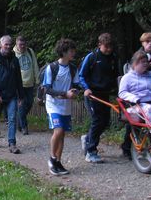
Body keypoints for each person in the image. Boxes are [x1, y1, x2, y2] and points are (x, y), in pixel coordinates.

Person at [121, 32, 151, 159]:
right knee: (134, 123)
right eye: (147, 41)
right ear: (143, 43)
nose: (150, 43)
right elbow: (131, 74)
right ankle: (127, 147)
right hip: (138, 96)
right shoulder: (138, 56)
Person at [41, 39, 81, 176]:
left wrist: (75, 92)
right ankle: (52, 159)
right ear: (63, 52)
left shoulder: (73, 68)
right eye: (71, 51)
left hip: (66, 106)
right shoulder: (51, 68)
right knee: (58, 131)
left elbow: (76, 86)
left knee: (62, 134)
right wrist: (65, 94)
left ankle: (58, 162)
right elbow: (47, 89)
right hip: (53, 105)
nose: (73, 53)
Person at [79, 33, 119, 163]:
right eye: (106, 47)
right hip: (92, 94)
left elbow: (116, 76)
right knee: (97, 120)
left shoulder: (113, 58)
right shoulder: (92, 57)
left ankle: (87, 139)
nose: (108, 49)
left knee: (105, 121)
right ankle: (91, 151)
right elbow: (81, 75)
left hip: (105, 94)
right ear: (99, 45)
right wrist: (86, 88)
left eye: (110, 47)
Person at [0, 35, 24, 153]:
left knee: (12, 119)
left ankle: (12, 143)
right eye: (6, 44)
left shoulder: (15, 60)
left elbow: (19, 79)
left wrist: (21, 96)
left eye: (10, 44)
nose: (8, 46)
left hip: (12, 95)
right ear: (1, 45)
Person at [14, 36, 39, 135]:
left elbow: (35, 65)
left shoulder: (30, 51)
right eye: (20, 44)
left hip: (30, 82)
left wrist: (37, 79)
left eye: (24, 44)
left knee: (29, 103)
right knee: (21, 104)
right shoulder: (13, 53)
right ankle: (24, 126)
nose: (22, 46)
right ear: (16, 44)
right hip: (19, 84)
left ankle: (19, 121)